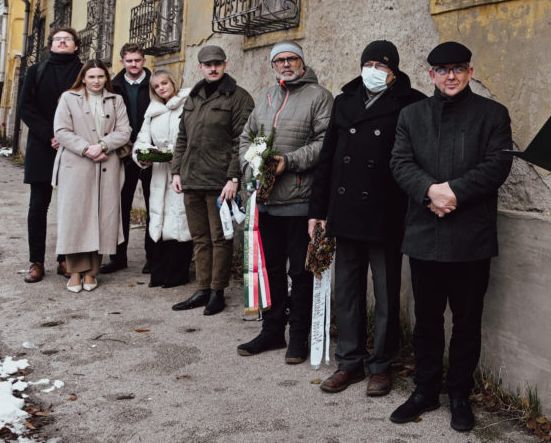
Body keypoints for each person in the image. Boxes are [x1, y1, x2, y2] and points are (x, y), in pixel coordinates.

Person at [389, 41, 512, 432]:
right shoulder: (412, 115)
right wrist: (430, 191)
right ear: (431, 76)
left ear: (470, 72)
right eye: (443, 70)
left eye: (458, 69)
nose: (451, 76)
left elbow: (497, 165)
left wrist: (454, 193)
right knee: (426, 321)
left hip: (470, 237)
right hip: (424, 233)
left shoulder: (492, 114)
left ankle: (459, 393)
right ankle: (425, 390)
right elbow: (400, 162)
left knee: (467, 322)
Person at [310, 40, 425, 396]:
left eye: (381, 65)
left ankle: (381, 366)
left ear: (394, 71)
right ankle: (349, 362)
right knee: (347, 291)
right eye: (369, 64)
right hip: (345, 212)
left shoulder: (412, 103)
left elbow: (414, 161)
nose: (373, 71)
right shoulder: (345, 101)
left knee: (387, 294)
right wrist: (318, 212)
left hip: (385, 213)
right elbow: (328, 158)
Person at [235, 42, 333, 365]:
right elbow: (247, 137)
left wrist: (288, 162)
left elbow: (325, 143)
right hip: (266, 202)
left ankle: (299, 336)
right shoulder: (266, 96)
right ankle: (273, 330)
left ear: (302, 63)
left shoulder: (319, 97)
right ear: (273, 66)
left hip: (299, 201)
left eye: (292, 58)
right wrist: (252, 166)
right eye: (279, 60)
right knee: (272, 270)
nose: (286, 64)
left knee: (301, 273)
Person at [171, 45, 254, 316]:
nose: (213, 68)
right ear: (200, 67)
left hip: (220, 182)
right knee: (200, 238)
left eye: (218, 63)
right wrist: (176, 171)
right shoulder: (193, 97)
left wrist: (233, 177)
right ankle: (202, 288)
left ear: (225, 65)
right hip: (192, 178)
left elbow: (242, 141)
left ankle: (217, 291)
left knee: (220, 238)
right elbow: (182, 137)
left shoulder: (238, 97)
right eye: (208, 64)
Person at [51, 59, 132, 293]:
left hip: (107, 163)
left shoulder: (116, 100)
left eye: (101, 76)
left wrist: (103, 145)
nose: (96, 81)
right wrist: (87, 148)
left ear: (106, 78)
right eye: (92, 77)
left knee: (102, 217)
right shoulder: (68, 98)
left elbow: (124, 130)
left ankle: (92, 272)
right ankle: (75, 271)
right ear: (83, 78)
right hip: (76, 164)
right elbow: (61, 131)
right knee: (76, 217)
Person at [16, 26, 82, 283]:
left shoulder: (83, 72)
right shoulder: (36, 71)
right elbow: (25, 107)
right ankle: (36, 262)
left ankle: (65, 259)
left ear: (76, 45)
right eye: (57, 39)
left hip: (74, 146)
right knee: (37, 206)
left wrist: (69, 138)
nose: (62, 42)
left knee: (70, 206)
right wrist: (50, 135)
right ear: (51, 45)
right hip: (42, 145)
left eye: (67, 39)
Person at [132, 69, 193, 288]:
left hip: (182, 171)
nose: (161, 88)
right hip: (159, 173)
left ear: (173, 82)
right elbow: (141, 140)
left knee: (180, 220)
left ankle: (178, 273)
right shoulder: (153, 111)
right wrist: (143, 155)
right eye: (156, 86)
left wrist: (178, 156)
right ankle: (159, 271)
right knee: (159, 218)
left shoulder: (188, 104)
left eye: (165, 83)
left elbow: (193, 136)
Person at [104, 42, 153, 274]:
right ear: (122, 61)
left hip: (151, 152)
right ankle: (118, 257)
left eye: (137, 60)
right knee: (120, 205)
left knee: (154, 205)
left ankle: (153, 257)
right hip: (123, 153)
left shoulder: (155, 84)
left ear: (144, 61)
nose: (133, 64)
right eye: (129, 60)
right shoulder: (113, 87)